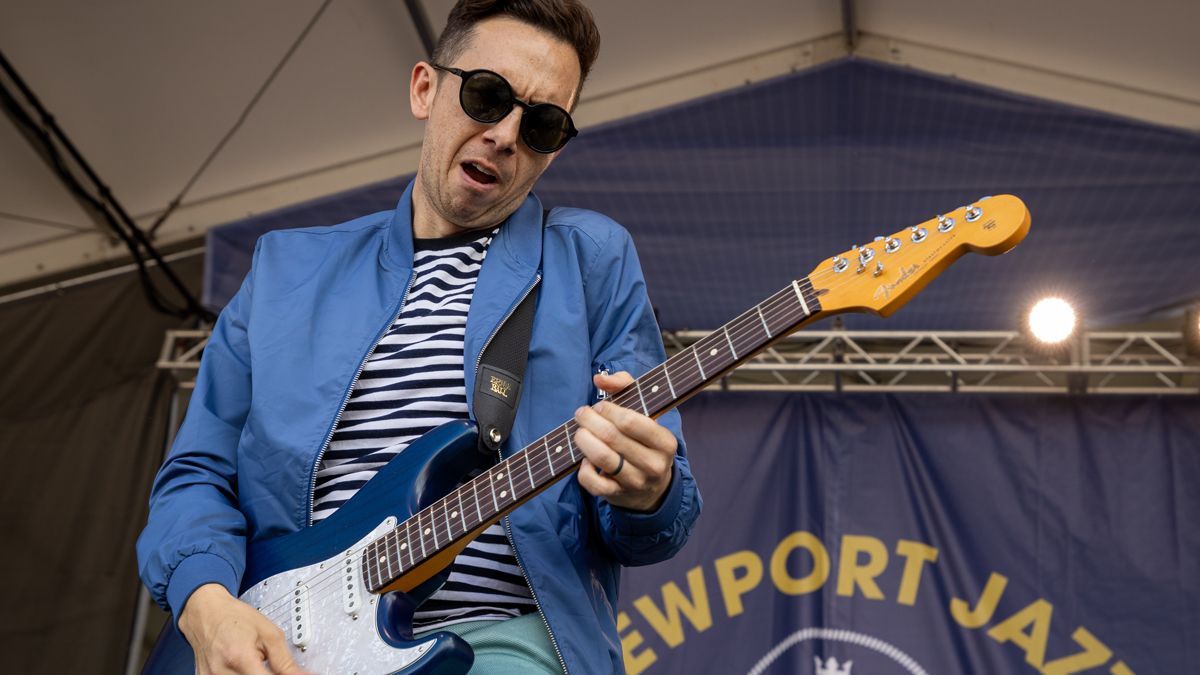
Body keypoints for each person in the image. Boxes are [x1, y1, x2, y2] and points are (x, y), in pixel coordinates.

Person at [136, 1, 701, 673]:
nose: (507, 134)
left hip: (498, 639)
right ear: (425, 89)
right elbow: (196, 474)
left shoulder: (592, 260)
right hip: (281, 645)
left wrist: (648, 491)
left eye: (543, 124)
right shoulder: (286, 268)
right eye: (488, 96)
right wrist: (208, 606)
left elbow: (660, 514)